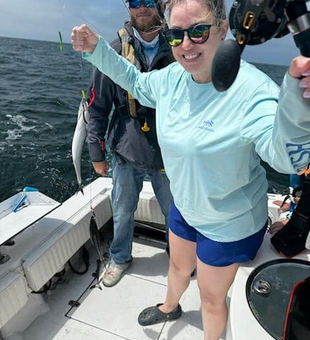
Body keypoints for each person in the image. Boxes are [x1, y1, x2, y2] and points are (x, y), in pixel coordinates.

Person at [71, 0, 310, 338]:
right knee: (178, 267)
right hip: (186, 207)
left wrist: (299, 104)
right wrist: (97, 49)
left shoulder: (253, 90)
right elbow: (137, 84)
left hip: (230, 223)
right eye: (176, 34)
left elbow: (286, 158)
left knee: (211, 298)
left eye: (198, 32)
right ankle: (170, 306)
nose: (185, 44)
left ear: (224, 30)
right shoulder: (171, 78)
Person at [86, 0, 174, 287]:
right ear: (128, 8)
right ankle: (120, 257)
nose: (143, 7)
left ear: (160, 6)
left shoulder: (178, 49)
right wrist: (96, 152)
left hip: (169, 152)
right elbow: (97, 108)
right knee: (122, 210)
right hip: (126, 148)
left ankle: (179, 256)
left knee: (177, 210)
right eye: (136, 1)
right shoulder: (111, 52)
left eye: (150, 1)